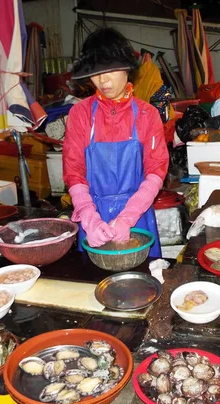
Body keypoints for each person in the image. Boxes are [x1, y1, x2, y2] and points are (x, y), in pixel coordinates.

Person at [62, 28, 168, 257]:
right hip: (93, 216)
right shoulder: (79, 114)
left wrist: (127, 218)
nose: (102, 80)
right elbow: (73, 171)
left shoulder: (147, 114)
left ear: (127, 68)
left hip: (137, 217)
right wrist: (88, 217)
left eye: (109, 70)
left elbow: (156, 172)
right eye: (95, 72)